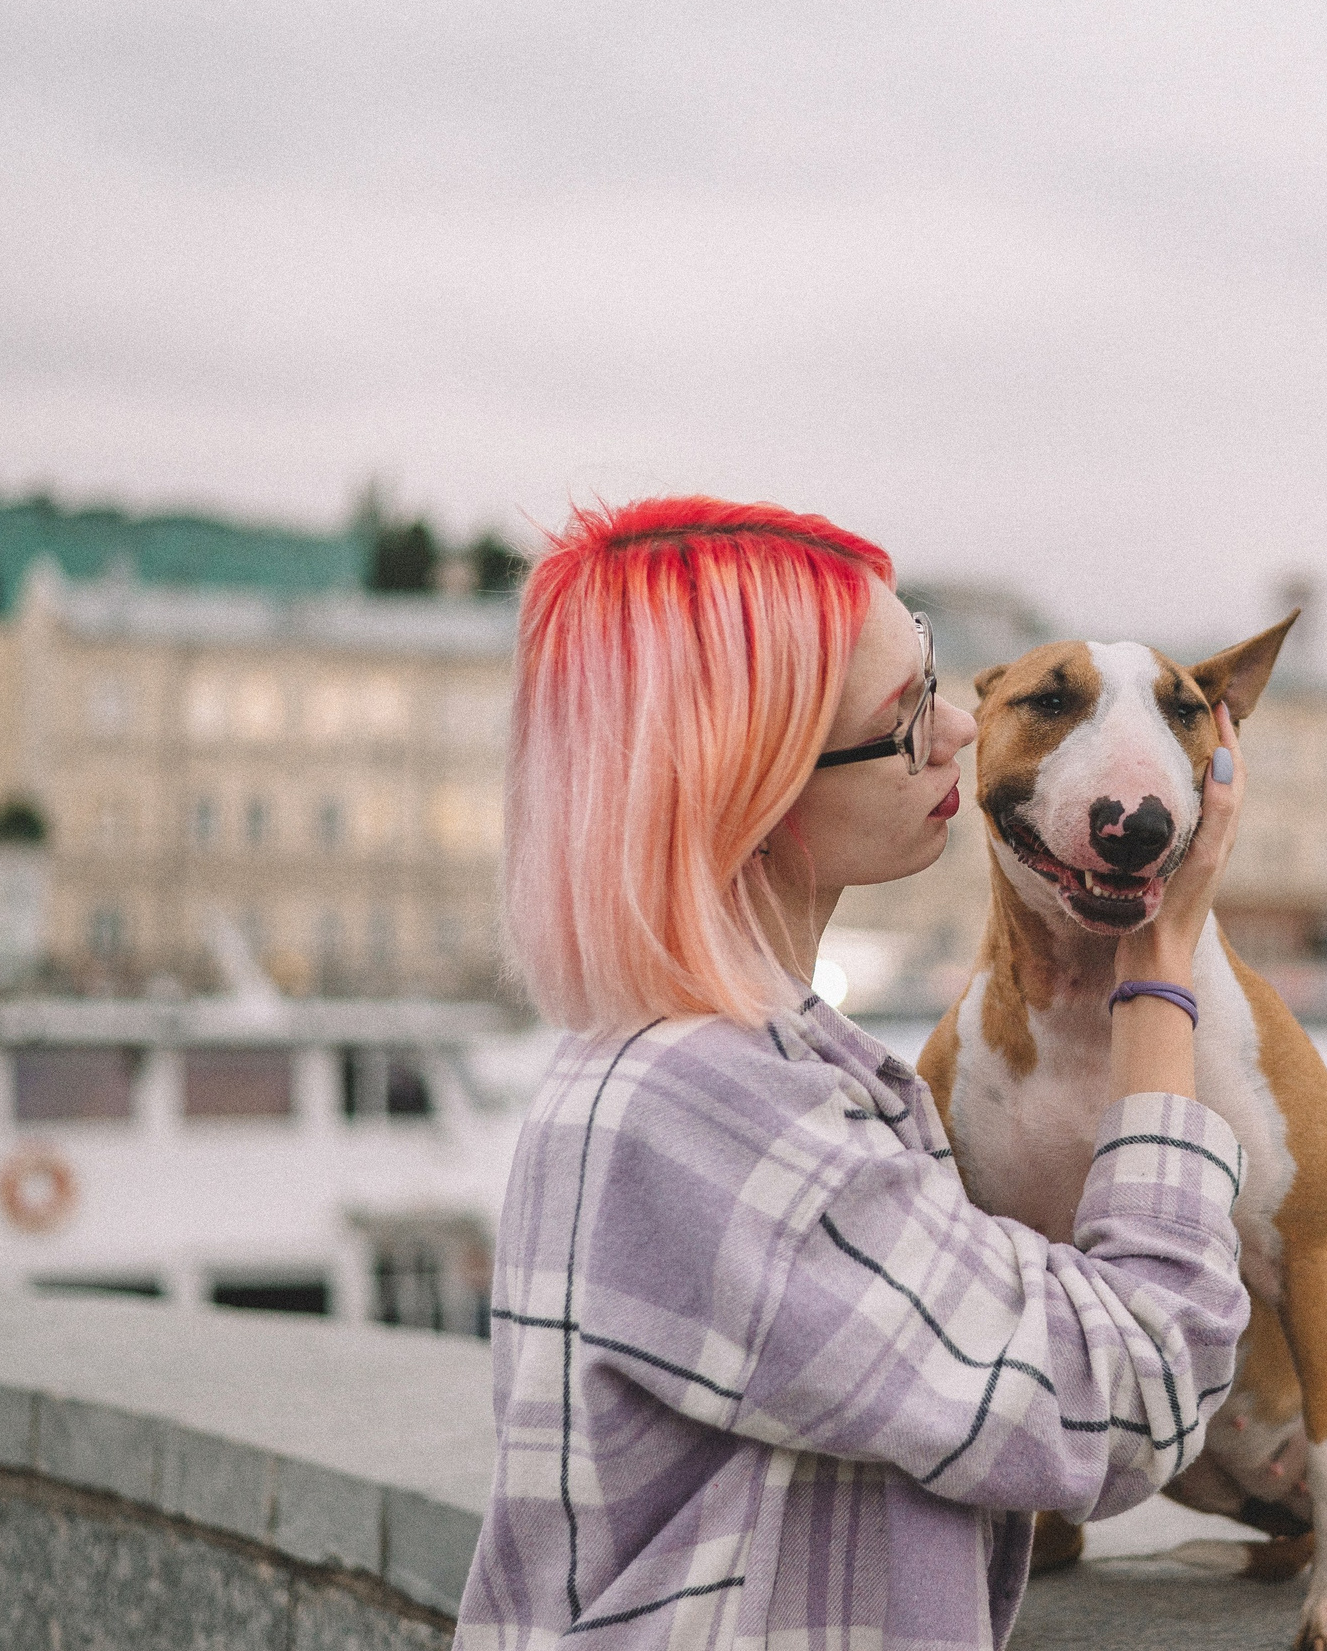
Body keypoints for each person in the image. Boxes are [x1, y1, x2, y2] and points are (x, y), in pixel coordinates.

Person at [455, 496, 1252, 1651]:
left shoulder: (661, 1067)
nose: (960, 736)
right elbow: (1134, 1389)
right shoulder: (723, 1117)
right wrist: (1162, 964)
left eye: (933, 678)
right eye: (902, 718)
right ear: (752, 781)